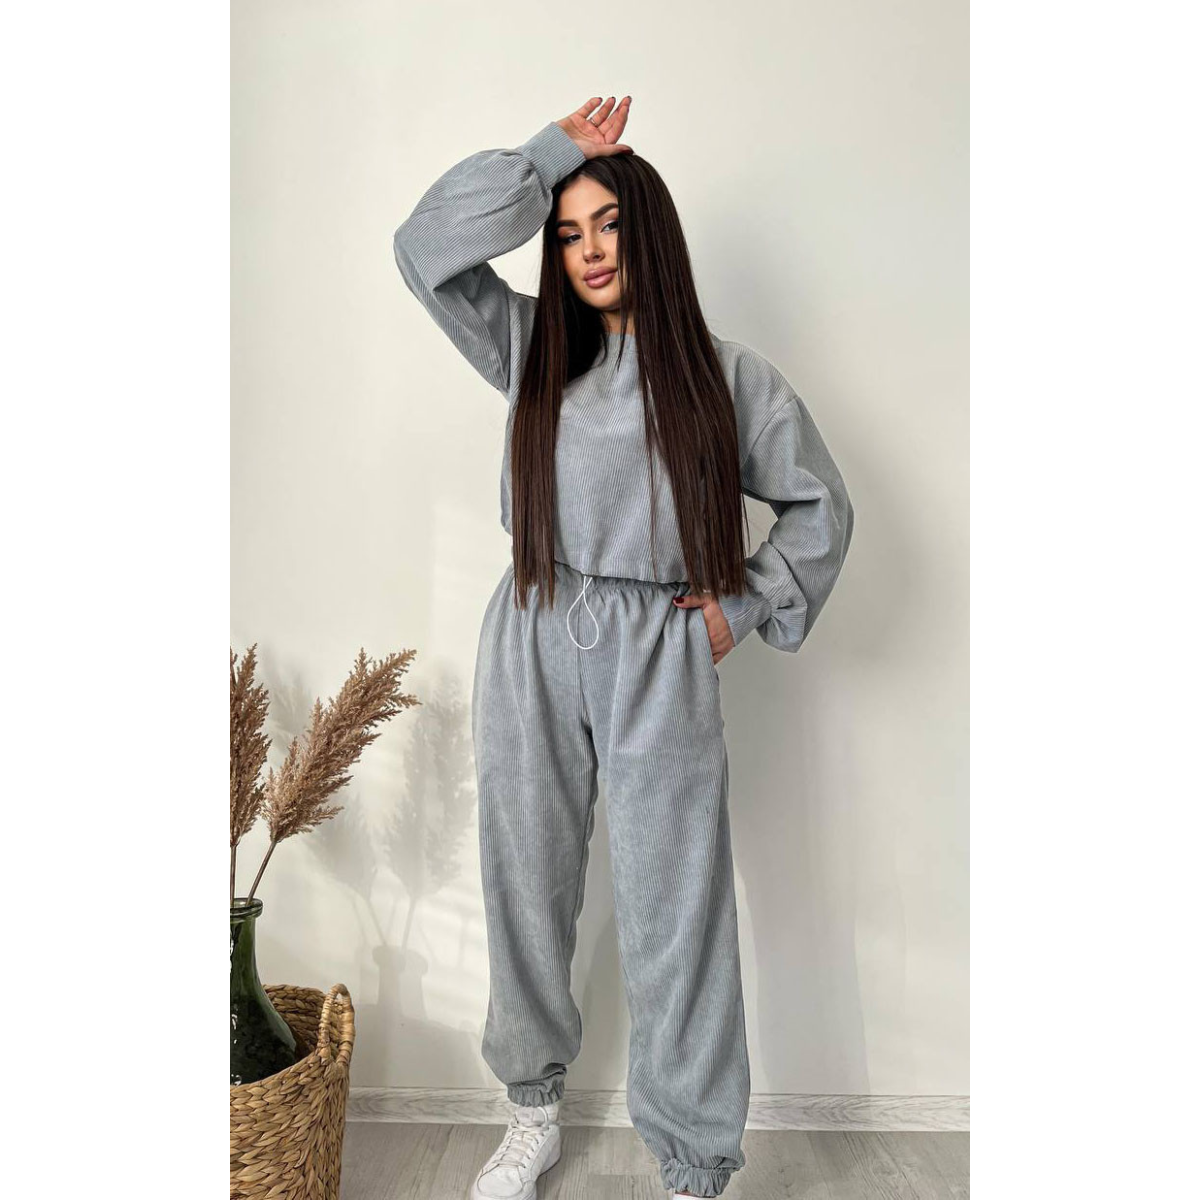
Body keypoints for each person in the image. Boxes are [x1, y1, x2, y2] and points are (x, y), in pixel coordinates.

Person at [393, 96, 855, 1200]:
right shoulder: (530, 349)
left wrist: (743, 605)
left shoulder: (729, 379)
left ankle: (692, 1163)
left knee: (675, 906)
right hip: (534, 622)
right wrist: (547, 157)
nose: (591, 250)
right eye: (569, 233)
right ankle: (532, 1112)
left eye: (608, 225)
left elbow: (821, 506)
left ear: (650, 233)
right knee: (524, 879)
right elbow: (423, 249)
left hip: (660, 649)